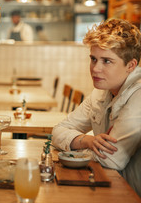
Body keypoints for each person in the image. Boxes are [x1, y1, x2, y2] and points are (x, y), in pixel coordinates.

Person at [52, 19, 141, 197]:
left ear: (131, 66)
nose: (95, 69)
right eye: (93, 59)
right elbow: (58, 131)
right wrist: (87, 141)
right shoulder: (101, 91)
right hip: (107, 188)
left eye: (106, 61)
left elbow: (110, 159)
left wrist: (72, 147)